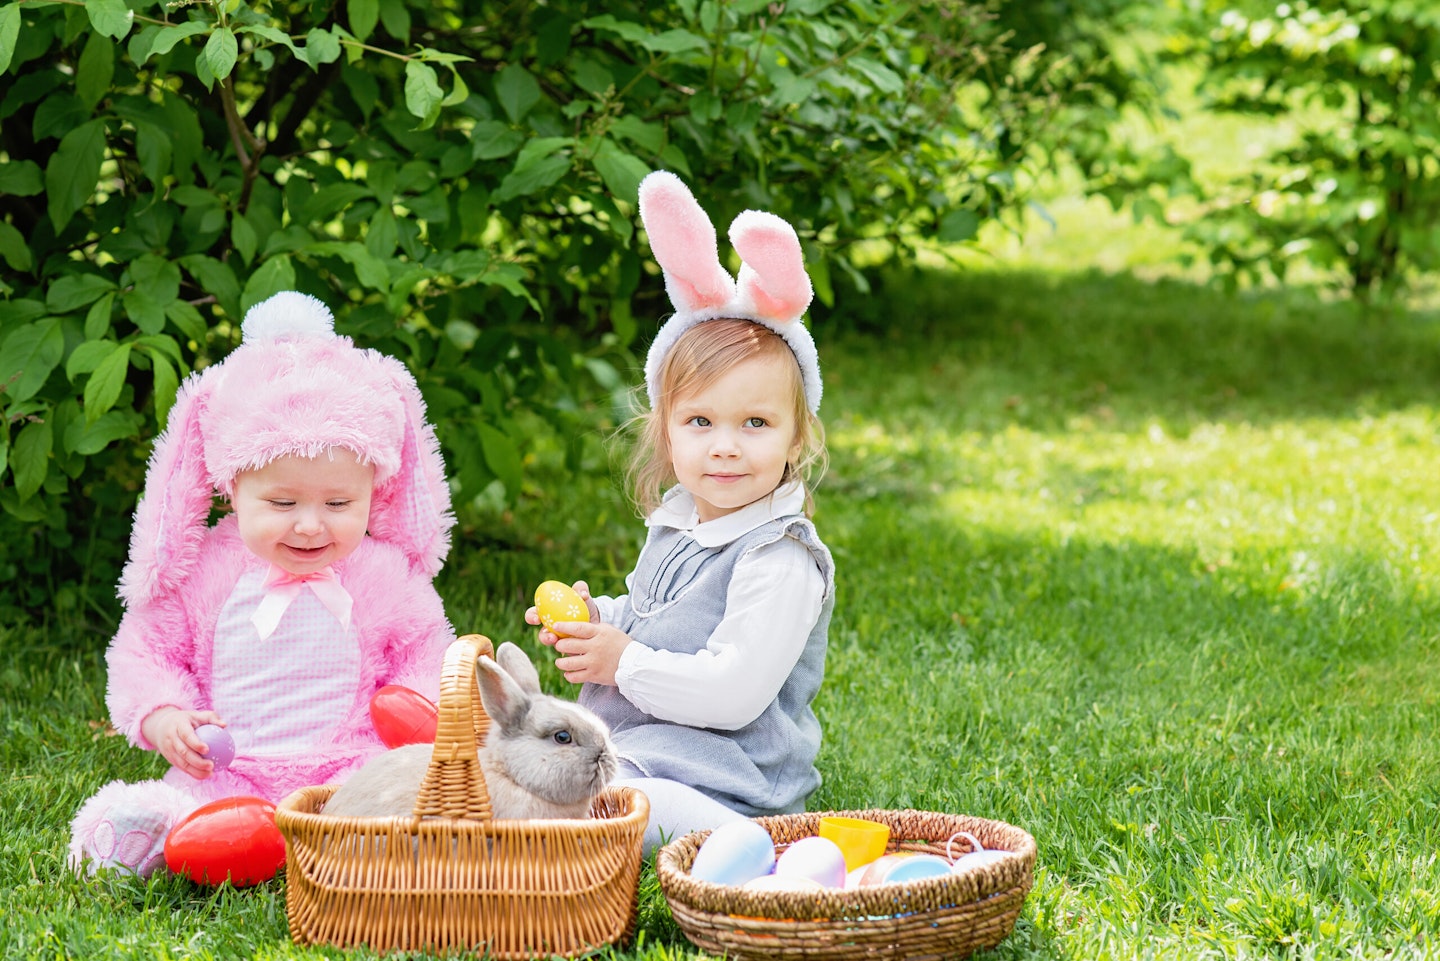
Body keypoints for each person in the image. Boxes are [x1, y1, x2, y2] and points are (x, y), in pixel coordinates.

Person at [69, 291, 457, 878]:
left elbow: (427, 653)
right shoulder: (206, 573)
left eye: (338, 502)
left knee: (383, 791)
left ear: (374, 492)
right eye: (281, 502)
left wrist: (417, 708)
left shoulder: (381, 575)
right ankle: (162, 831)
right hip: (229, 767)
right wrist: (166, 717)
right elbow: (144, 653)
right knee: (199, 804)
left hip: (347, 761)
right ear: (231, 489)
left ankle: (348, 832)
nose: (309, 523)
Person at [527, 171, 836, 852]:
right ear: (665, 430)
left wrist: (622, 662)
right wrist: (603, 622)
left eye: (755, 422)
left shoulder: (778, 555)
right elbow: (662, 622)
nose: (725, 446)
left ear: (797, 435)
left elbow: (732, 692)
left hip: (728, 781)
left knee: (621, 806)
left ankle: (763, 852)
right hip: (643, 750)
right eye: (700, 420)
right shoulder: (680, 523)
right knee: (526, 770)